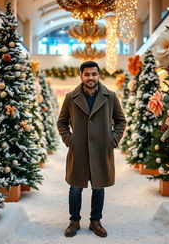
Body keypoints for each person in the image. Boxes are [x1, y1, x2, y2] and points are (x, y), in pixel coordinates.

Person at [57, 61, 126, 238]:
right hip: (78, 149)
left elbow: (120, 121)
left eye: (94, 74)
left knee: (99, 187)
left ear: (99, 75)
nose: (90, 77)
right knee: (75, 188)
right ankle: (74, 221)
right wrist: (69, 140)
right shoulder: (71, 97)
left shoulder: (110, 96)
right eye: (87, 74)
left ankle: (96, 221)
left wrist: (113, 140)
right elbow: (61, 122)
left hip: (102, 150)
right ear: (81, 76)